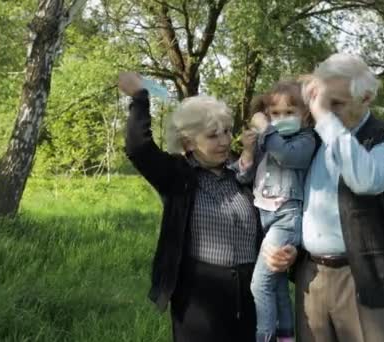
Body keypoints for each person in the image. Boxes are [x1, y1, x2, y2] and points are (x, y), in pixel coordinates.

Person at [119, 72, 294, 342]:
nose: (225, 141)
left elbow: (281, 214)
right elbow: (139, 147)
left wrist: (288, 252)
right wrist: (140, 97)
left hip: (253, 295)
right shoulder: (176, 174)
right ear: (189, 142)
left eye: (227, 131)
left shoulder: (245, 170)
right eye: (213, 136)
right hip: (198, 299)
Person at [295, 54, 384, 342]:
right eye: (323, 102)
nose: (325, 111)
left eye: (336, 103)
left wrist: (324, 118)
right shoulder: (313, 138)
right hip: (311, 275)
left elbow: (365, 180)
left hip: (364, 277)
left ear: (366, 97)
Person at [235, 81, 317, 342]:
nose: (281, 119)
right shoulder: (265, 140)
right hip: (265, 218)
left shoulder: (306, 139)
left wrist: (265, 128)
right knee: (277, 284)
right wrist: (249, 150)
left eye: (289, 112)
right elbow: (244, 177)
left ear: (305, 114)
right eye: (275, 113)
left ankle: (264, 337)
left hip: (286, 218)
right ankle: (285, 336)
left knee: (259, 284)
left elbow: (286, 156)